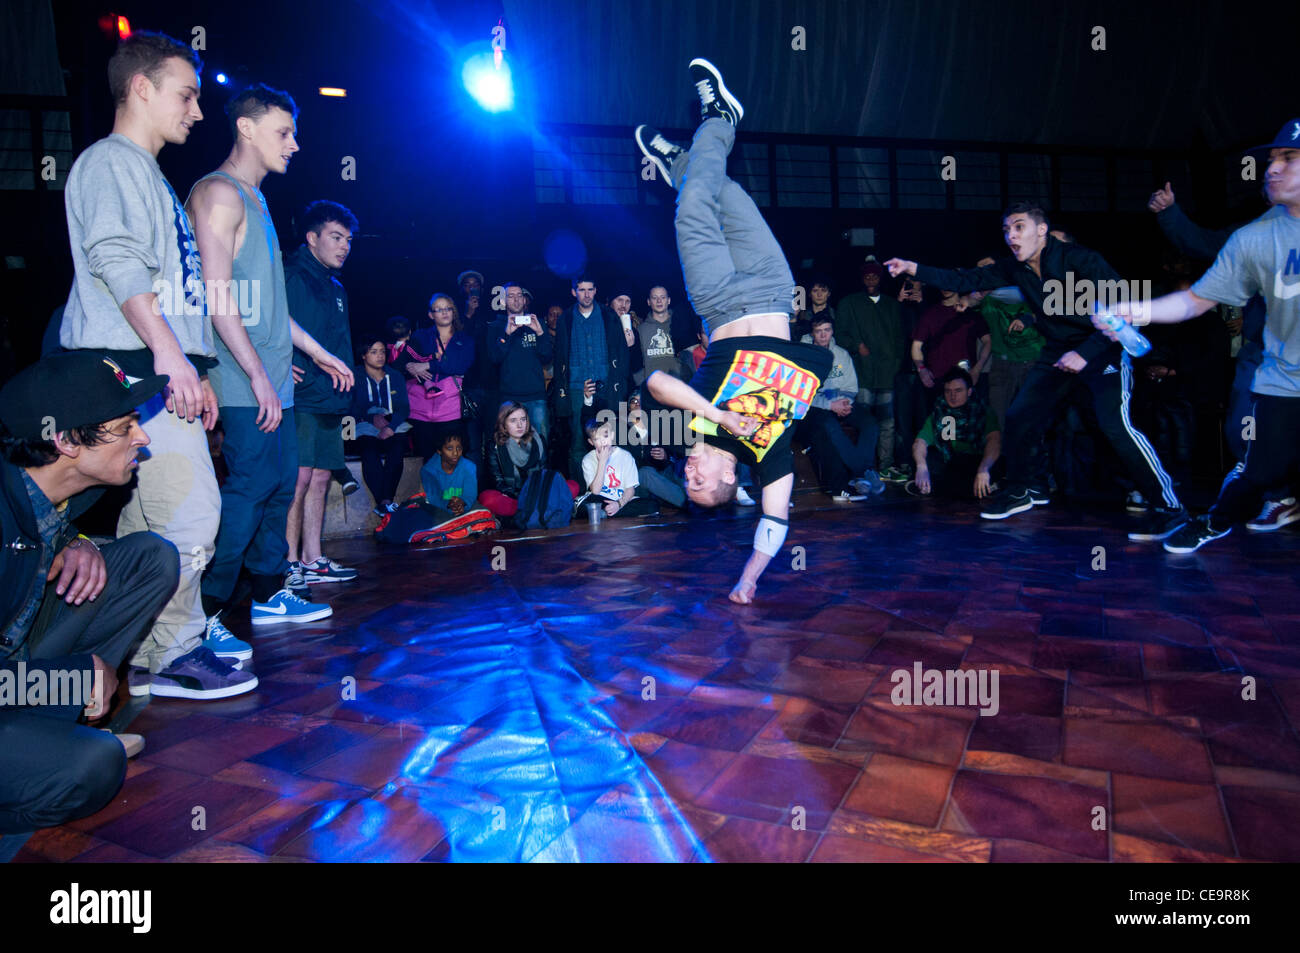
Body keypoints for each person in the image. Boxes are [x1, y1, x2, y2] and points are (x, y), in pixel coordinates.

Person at [58, 31, 254, 699]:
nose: (198, 111)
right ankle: (175, 650)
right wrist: (170, 357)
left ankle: (141, 648)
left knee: (152, 522)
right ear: (141, 87)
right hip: (139, 368)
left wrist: (188, 363)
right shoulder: (112, 162)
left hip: (155, 366)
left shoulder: (146, 173)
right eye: (187, 93)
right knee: (196, 510)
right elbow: (115, 261)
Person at [636, 58, 832, 603]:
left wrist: (719, 415)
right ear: (728, 482)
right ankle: (687, 156)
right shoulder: (766, 454)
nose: (690, 472)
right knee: (722, 190)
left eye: (686, 480)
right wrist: (748, 579)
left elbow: (655, 385)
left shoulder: (704, 426)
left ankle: (714, 123)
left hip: (718, 300)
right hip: (771, 288)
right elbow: (776, 519)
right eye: (698, 482)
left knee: (694, 206)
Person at [885, 201, 1186, 541]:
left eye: (1018, 227)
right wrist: (913, 267)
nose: (1010, 235)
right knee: (1019, 417)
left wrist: (1085, 352)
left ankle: (1169, 506)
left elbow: (1123, 309)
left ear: (1041, 230)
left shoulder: (1082, 260)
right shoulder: (1016, 268)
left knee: (1115, 427)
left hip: (1103, 348)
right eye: (1006, 230)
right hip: (1058, 353)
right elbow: (965, 278)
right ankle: (1025, 488)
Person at [0, 353, 189, 835]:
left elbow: (44, 525)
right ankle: (56, 729)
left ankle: (56, 723)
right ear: (64, 440)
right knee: (94, 768)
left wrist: (74, 540)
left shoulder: (70, 485)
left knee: (150, 557)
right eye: (126, 426)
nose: (142, 437)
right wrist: (71, 677)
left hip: (16, 662)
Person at [187, 83, 353, 628]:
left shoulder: (256, 199)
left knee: (281, 487)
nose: (295, 144)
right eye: (284, 133)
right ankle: (205, 613)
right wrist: (256, 374)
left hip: (273, 380)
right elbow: (217, 297)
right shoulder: (218, 194)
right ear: (247, 128)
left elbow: (265, 305)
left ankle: (267, 593)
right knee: (249, 491)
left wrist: (319, 351)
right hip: (240, 382)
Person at [1099, 120, 1300, 552]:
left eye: (1290, 159)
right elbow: (1195, 300)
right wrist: (1137, 309)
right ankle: (1216, 520)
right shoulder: (1253, 238)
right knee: (1259, 468)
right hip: (1286, 378)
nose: (1272, 169)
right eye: (1272, 160)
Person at [285, 200, 360, 586]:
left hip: (331, 397)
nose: (344, 245)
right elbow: (265, 321)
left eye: (348, 239)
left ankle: (313, 558)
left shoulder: (336, 286)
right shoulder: (290, 275)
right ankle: (288, 562)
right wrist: (276, 363)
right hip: (301, 397)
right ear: (312, 238)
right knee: (297, 477)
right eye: (336, 237)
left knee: (318, 479)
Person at [552, 276, 631, 480]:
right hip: (577, 387)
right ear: (573, 292)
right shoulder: (566, 318)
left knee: (611, 439)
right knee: (578, 440)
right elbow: (560, 354)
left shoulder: (609, 315)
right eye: (581, 290)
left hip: (606, 385)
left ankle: (613, 487)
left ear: (596, 291)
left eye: (590, 289)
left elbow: (621, 352)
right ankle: (580, 491)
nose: (586, 294)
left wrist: (618, 383)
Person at [798, 313, 883, 500]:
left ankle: (859, 473)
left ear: (832, 331)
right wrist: (830, 405)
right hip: (816, 407)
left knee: (869, 423)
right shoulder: (803, 354)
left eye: (826, 330)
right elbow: (800, 394)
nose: (823, 335)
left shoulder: (841, 354)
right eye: (818, 331)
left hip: (841, 401)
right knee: (829, 425)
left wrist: (843, 403)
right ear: (812, 333)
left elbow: (851, 388)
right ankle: (862, 472)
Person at [835, 258, 906, 482]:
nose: (871, 278)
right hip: (861, 375)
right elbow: (839, 334)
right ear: (862, 278)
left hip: (886, 374)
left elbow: (900, 339)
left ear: (880, 277)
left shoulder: (891, 305)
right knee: (863, 421)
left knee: (887, 423)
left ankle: (885, 466)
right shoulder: (849, 303)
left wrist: (895, 364)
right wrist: (857, 345)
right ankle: (862, 468)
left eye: (875, 274)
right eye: (867, 275)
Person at [392, 293, 475, 463]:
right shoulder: (420, 336)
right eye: (439, 309)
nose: (444, 312)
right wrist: (409, 366)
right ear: (431, 315)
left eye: (448, 309)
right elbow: (398, 366)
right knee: (427, 462)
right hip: (420, 409)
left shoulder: (464, 339)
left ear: (453, 312)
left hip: (450, 410)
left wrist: (428, 365)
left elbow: (459, 365)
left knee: (453, 461)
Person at [911, 368, 1002, 500]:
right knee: (927, 461)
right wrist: (921, 466)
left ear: (969, 391)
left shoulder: (983, 412)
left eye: (958, 391)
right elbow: (920, 442)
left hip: (975, 462)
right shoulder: (939, 411)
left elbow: (995, 441)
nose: (952, 396)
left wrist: (984, 469)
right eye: (948, 391)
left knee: (992, 467)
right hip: (949, 462)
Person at [480, 402, 580, 517]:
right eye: (513, 421)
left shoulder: (538, 440)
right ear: (503, 423)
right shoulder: (494, 445)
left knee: (572, 486)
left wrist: (536, 494)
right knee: (487, 498)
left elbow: (545, 473)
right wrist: (521, 496)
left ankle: (529, 512)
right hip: (514, 497)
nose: (520, 425)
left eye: (523, 419)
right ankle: (540, 510)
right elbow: (498, 482)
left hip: (538, 493)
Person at [350, 338, 410, 516]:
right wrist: (370, 417)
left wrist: (391, 426)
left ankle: (385, 501)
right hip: (364, 426)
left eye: (382, 351)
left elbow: (404, 408)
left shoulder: (395, 376)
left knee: (398, 448)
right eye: (374, 352)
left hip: (392, 425)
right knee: (368, 450)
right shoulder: (354, 376)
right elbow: (349, 407)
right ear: (363, 355)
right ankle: (384, 501)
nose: (380, 356)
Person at [490, 283, 553, 442]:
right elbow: (494, 359)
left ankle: (541, 468)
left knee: (540, 443)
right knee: (510, 444)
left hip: (536, 396)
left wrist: (540, 333)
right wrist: (507, 334)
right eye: (511, 296)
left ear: (525, 300)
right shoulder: (496, 327)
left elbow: (547, 357)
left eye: (519, 295)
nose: (516, 300)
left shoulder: (537, 323)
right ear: (503, 301)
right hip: (509, 397)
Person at [579, 418, 658, 517]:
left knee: (652, 505)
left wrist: (619, 504)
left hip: (622, 499)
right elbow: (595, 491)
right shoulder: (588, 459)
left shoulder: (625, 456)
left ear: (612, 435)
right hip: (600, 498)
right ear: (591, 442)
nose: (603, 442)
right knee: (585, 505)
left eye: (605, 436)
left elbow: (630, 490)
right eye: (597, 439)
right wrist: (602, 462)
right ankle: (607, 512)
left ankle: (606, 513)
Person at [419, 433, 477, 520]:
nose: (455, 453)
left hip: (462, 507)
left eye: (459, 448)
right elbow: (434, 497)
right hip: (440, 508)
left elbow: (470, 493)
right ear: (439, 450)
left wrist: (463, 503)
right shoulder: (428, 470)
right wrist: (450, 505)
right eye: (449, 448)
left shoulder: (469, 466)